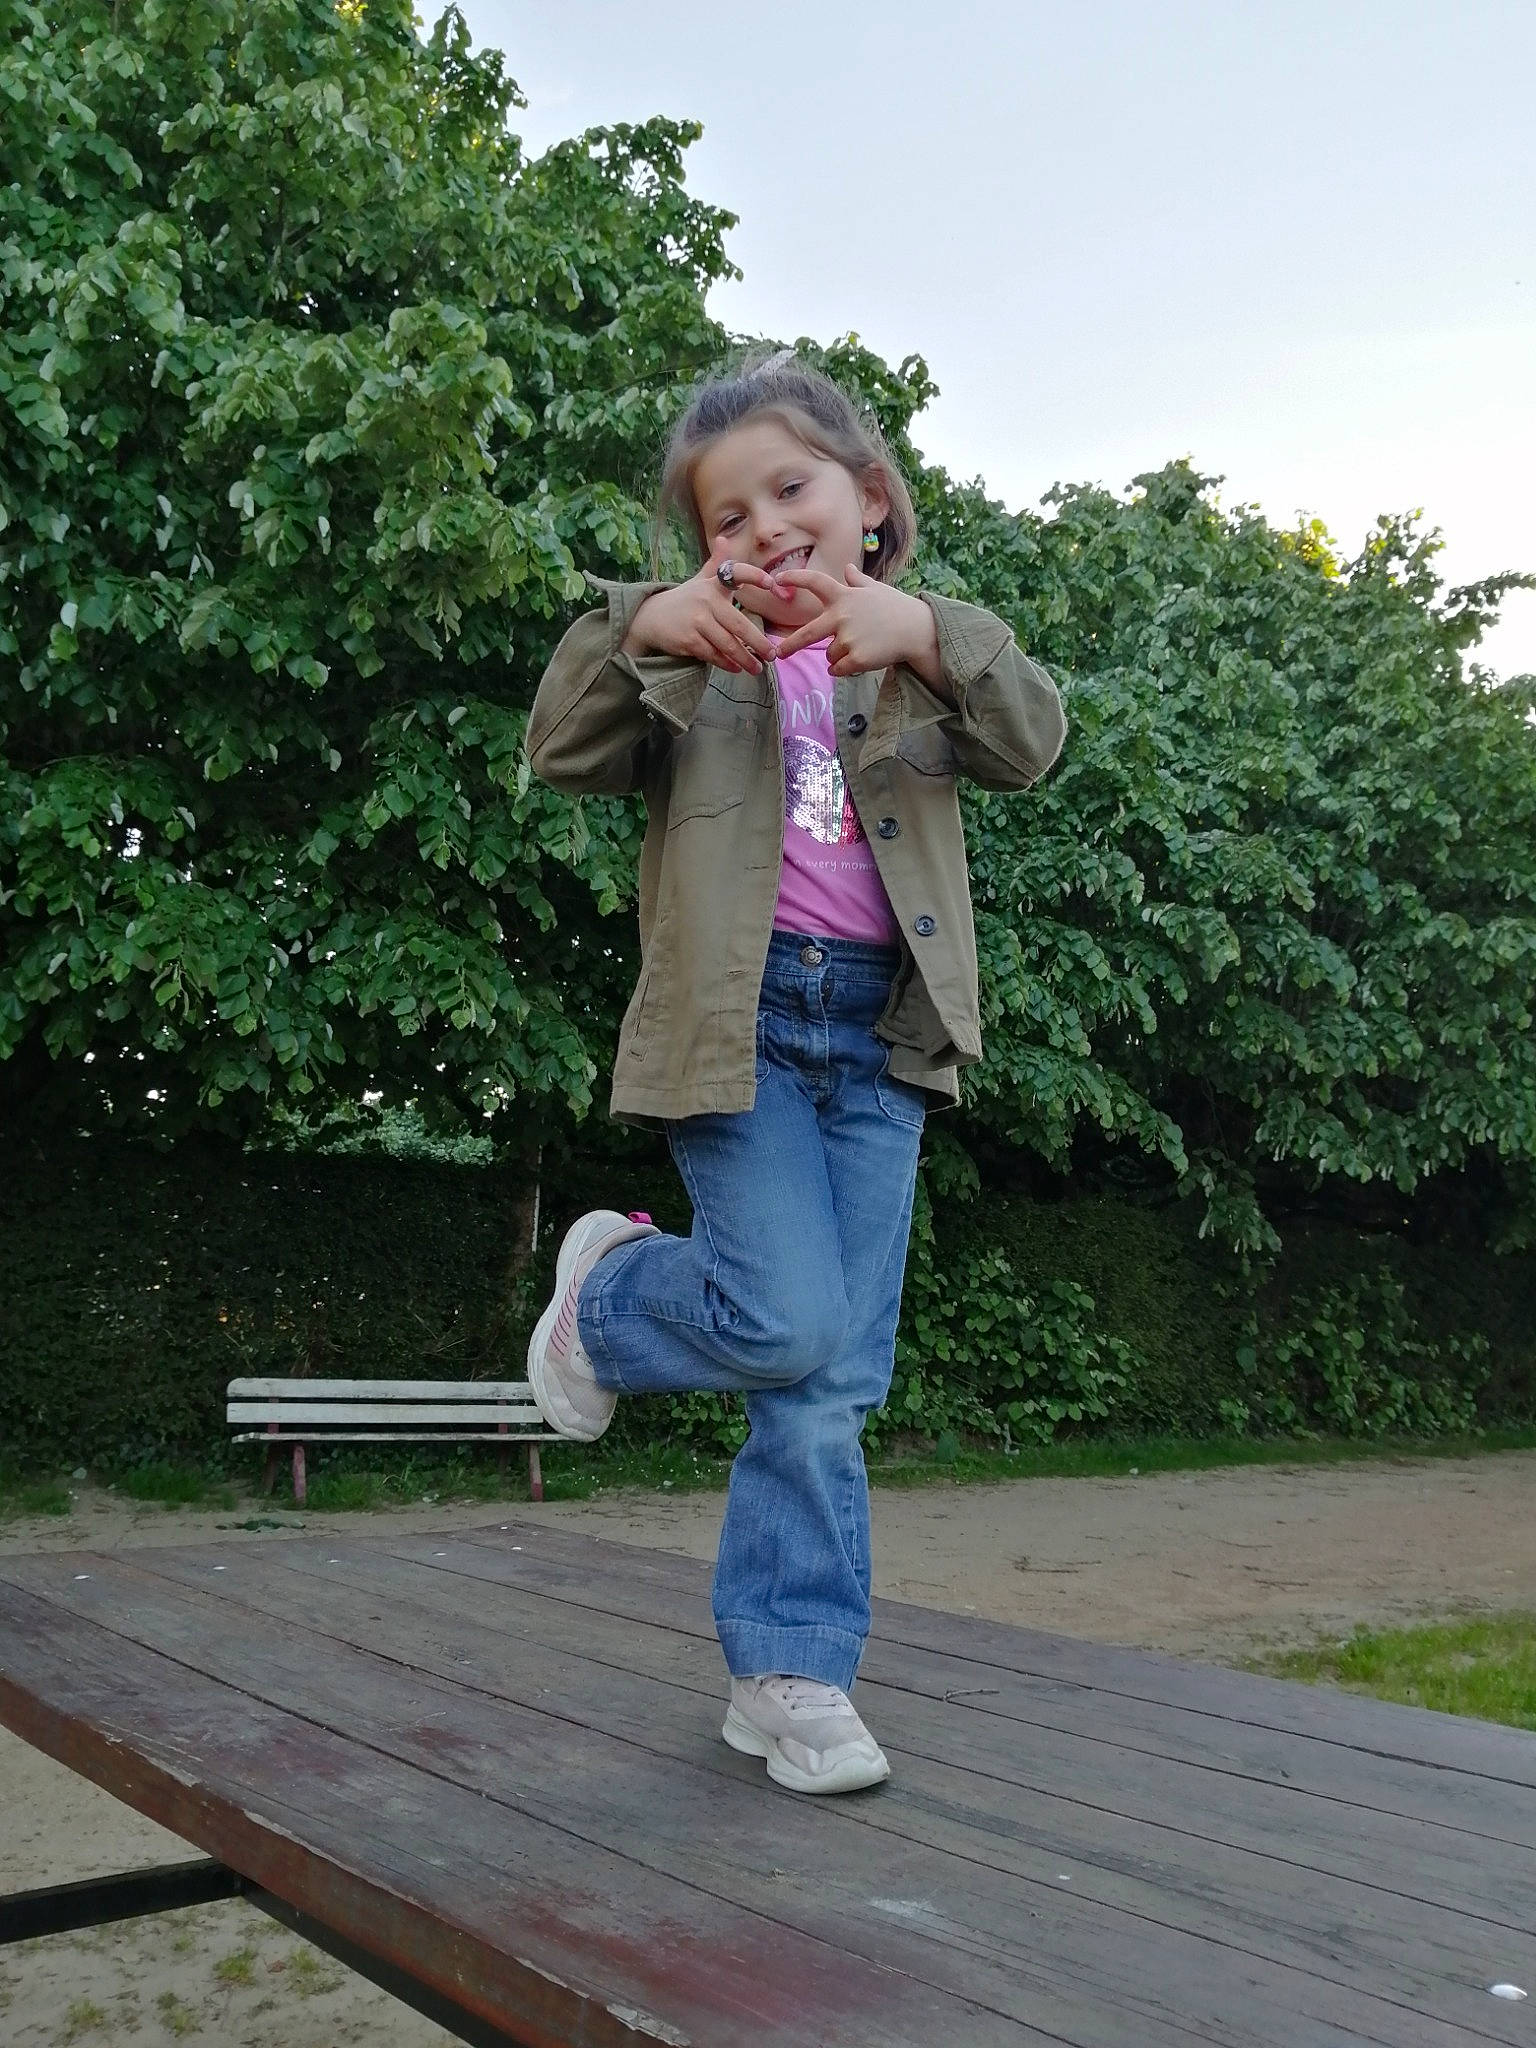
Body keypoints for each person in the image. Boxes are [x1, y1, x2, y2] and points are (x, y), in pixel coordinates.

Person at [524, 351, 1066, 1795]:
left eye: (793, 489)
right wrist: (648, 620)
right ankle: (611, 1298)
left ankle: (791, 1672)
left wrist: (927, 629)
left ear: (869, 503)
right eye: (726, 518)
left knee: (834, 1377)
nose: (765, 527)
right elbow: (560, 748)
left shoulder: (920, 655)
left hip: (884, 1045)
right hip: (741, 1029)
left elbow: (1035, 739)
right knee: (786, 1319)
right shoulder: (687, 662)